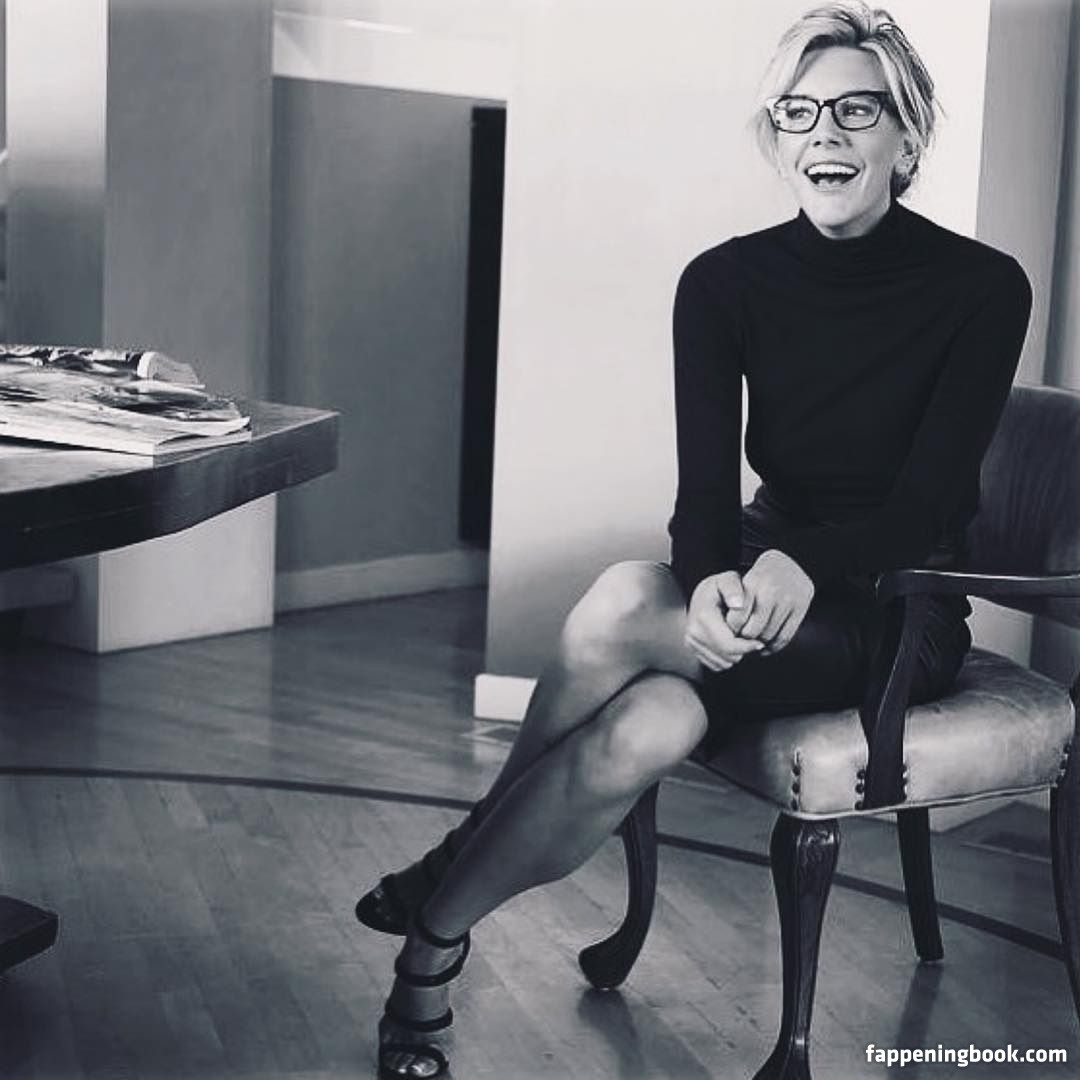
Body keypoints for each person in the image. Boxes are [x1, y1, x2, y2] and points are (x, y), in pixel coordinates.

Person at [362, 3, 1033, 1076]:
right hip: (759, 578)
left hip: (893, 607)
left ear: (908, 136)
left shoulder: (983, 287)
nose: (824, 133)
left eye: (857, 111)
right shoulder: (724, 282)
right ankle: (430, 954)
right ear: (776, 136)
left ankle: (452, 861)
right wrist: (714, 577)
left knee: (627, 605)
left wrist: (805, 563)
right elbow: (706, 496)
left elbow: (927, 503)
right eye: (798, 112)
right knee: (651, 720)